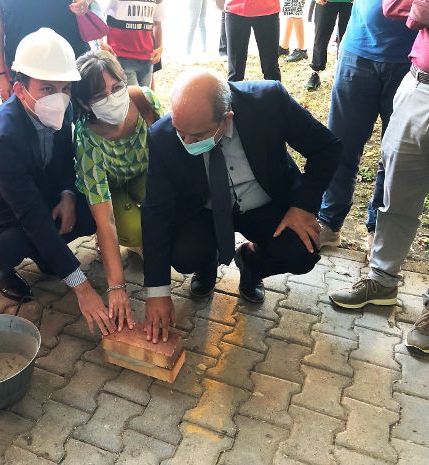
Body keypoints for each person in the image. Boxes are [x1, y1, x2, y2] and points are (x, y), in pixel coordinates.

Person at [142, 69, 342, 343]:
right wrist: (158, 291)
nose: (185, 142)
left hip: (266, 202)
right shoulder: (162, 137)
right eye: (180, 131)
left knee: (302, 251)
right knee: (185, 254)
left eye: (197, 135)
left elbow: (327, 148)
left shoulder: (269, 101)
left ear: (226, 119)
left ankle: (251, 263)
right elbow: (155, 213)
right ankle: (206, 263)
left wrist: (303, 207)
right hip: (206, 210)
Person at [0, 29, 119, 335]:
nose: (58, 97)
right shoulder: (1, 137)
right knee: (12, 243)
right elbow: (29, 213)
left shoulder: (63, 108)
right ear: (19, 89)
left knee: (85, 211)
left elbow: (63, 159)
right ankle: (2, 268)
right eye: (47, 88)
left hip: (36, 194)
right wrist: (81, 288)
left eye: (65, 88)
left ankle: (49, 256)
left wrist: (68, 194)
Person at [330, 0, 428, 354]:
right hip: (398, 68)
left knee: (394, 173)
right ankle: (378, 276)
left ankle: (377, 236)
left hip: (407, 63)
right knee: (389, 182)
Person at [72, 50, 162, 331]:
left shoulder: (143, 99)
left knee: (158, 210)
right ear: (85, 104)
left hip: (142, 173)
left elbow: (169, 154)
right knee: (134, 231)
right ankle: (129, 244)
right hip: (110, 188)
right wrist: (117, 287)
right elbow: (104, 218)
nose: (112, 98)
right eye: (99, 96)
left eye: (117, 86)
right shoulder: (87, 137)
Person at [317, 0, 417, 251]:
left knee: (394, 153)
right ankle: (329, 222)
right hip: (358, 50)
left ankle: (379, 229)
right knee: (341, 144)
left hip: (411, 61)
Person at [0, 0, 91, 102]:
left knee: (81, 110)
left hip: (71, 54)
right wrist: (0, 75)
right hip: (26, 65)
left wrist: (85, 2)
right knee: (34, 116)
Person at [101, 0, 165, 87]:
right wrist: (100, 42)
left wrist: (159, 47)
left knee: (145, 96)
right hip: (121, 56)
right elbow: (99, 14)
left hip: (147, 58)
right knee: (134, 97)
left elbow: (157, 23)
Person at [224, 0, 281, 82]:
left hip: (268, 9)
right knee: (235, 71)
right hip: (235, 8)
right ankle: (233, 93)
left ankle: (275, 94)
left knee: (271, 68)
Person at [306, 0, 353, 91]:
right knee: (321, 36)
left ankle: (344, 72)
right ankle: (316, 71)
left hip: (350, 2)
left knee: (348, 37)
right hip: (326, 2)